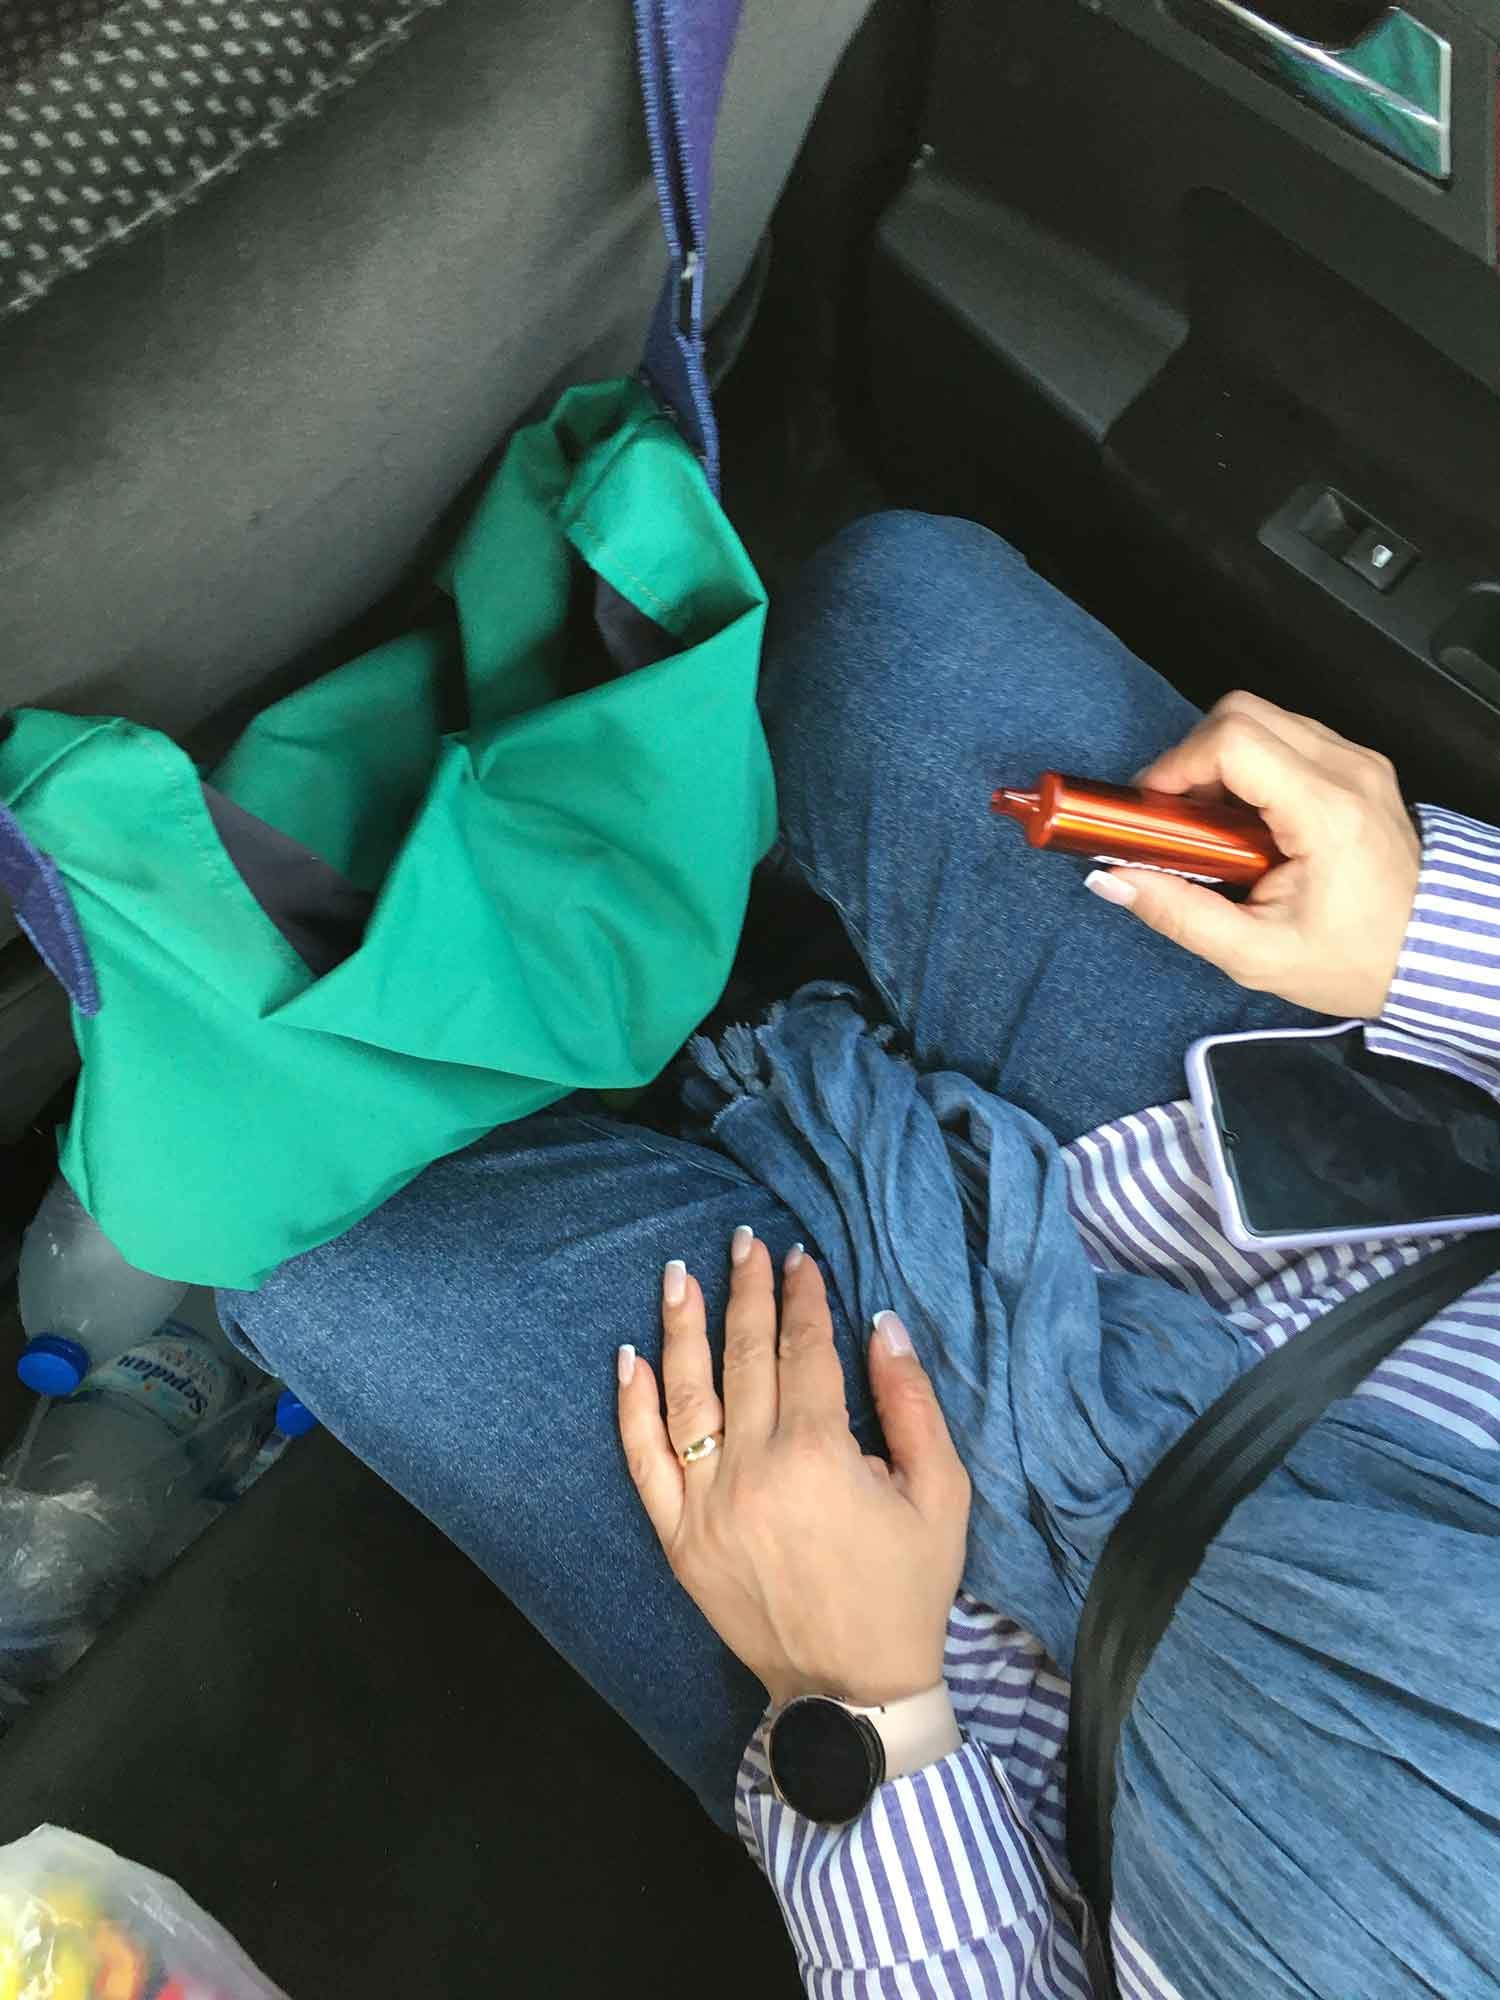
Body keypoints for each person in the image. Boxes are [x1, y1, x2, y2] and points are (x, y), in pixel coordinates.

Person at [224, 514, 1500, 1999]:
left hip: (981, 1707)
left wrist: (856, 1703)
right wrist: (1439, 935)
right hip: (1342, 1222)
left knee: (301, 1231)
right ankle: (736, 997)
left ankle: (717, 1029)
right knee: (883, 627)